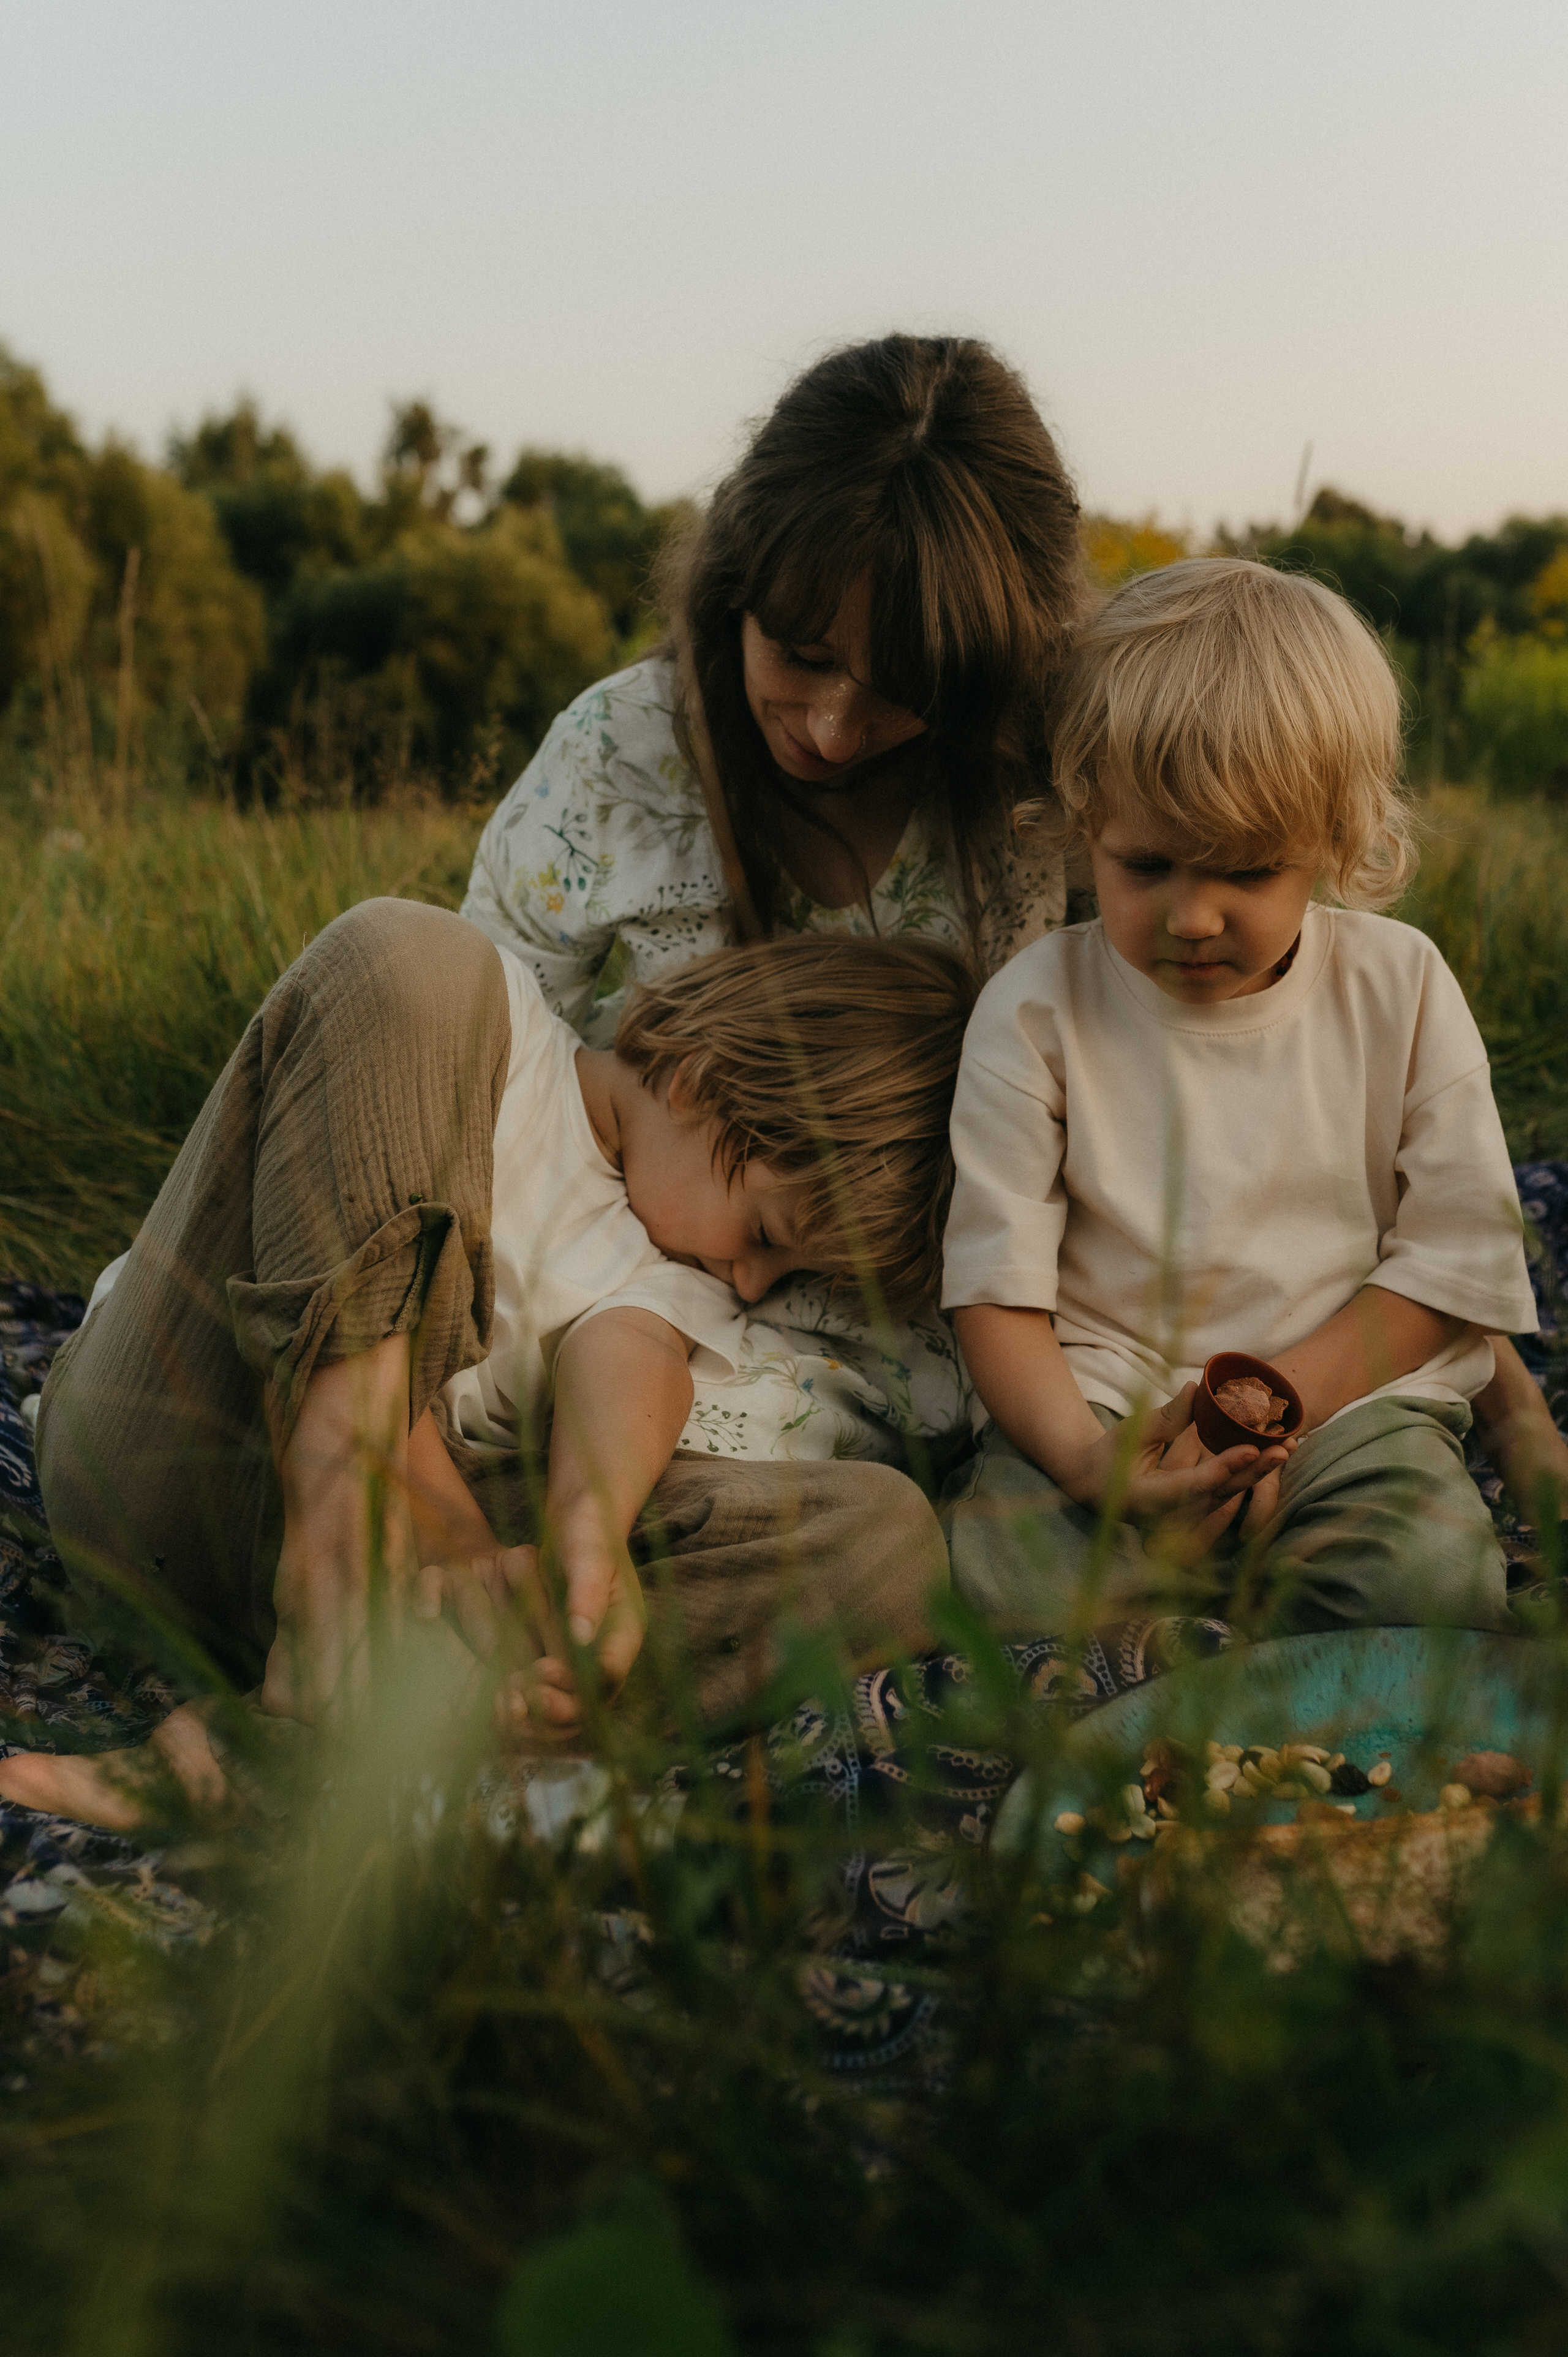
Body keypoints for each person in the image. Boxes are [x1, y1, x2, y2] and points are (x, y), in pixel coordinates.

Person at [19, 908, 973, 1835]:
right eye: (768, 1234)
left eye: (793, 1277)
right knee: (412, 952)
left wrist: (585, 1555)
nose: (757, 1279)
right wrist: (438, 1522)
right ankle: (348, 1562)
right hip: (179, 1443)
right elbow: (393, 1022)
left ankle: (309, 1746)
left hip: (418, 1610)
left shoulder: (677, 1283)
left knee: (885, 1543)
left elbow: (628, 1358)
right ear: (702, 1076)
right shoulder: (501, 1038)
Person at [461, 332, 1088, 1479]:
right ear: (736, 586)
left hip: (895, 1363)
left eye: (904, 695)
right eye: (800, 656)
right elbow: (475, 1053)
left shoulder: (1034, 793)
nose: (836, 731)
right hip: (604, 1287)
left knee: (872, 1529)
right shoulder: (622, 755)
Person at [939, 557, 1551, 1637]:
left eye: (1248, 871)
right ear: (1086, 818)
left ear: (1336, 843)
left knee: (1433, 1583)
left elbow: (1454, 1263)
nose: (1193, 916)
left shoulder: (1398, 986)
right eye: (1148, 866)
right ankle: (1190, 1630)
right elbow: (997, 1290)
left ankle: (1235, 1643)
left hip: (1347, 1395)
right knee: (1005, 1578)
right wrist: (1091, 1466)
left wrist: (1274, 1421)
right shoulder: (1035, 1008)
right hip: (1107, 1399)